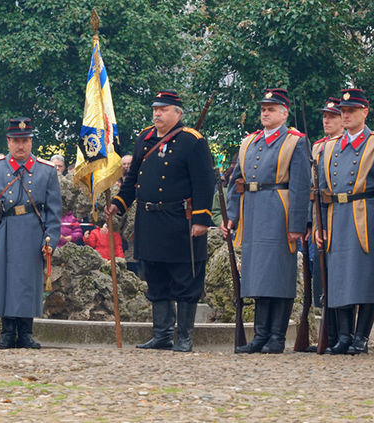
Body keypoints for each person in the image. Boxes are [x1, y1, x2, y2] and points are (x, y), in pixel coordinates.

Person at [107, 89, 214, 352]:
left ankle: (184, 337)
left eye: (163, 109)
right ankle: (162, 334)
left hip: (180, 220)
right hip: (149, 220)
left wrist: (201, 218)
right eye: (155, 109)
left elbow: (204, 182)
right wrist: (119, 203)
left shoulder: (192, 140)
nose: (157, 114)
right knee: (155, 277)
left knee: (185, 278)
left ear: (177, 113)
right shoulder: (144, 138)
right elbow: (132, 179)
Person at [223, 88, 311, 354]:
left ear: (284, 114)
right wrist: (232, 215)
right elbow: (236, 181)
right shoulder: (249, 142)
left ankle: (276, 337)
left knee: (279, 275)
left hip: (279, 211)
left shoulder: (295, 142)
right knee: (258, 277)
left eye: (271, 109)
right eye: (263, 109)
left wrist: (297, 224)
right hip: (252, 212)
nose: (265, 113)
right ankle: (260, 335)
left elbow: (300, 186)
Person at [316, 87, 374, 355]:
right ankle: (344, 336)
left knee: (366, 277)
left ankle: (361, 337)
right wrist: (320, 226)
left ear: (365, 112)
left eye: (351, 111)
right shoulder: (330, 147)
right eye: (343, 111)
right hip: (336, 216)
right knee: (339, 277)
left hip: (365, 214)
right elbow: (322, 191)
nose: (345, 115)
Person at [0, 117, 62, 349]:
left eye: (25, 141)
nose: (20, 146)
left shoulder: (46, 170)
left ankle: (25, 333)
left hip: (33, 231)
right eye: (16, 141)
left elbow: (54, 211)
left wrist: (50, 240)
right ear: (8, 142)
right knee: (4, 281)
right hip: (3, 231)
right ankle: (6, 333)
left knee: (28, 283)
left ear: (31, 142)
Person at [306, 97, 344, 351]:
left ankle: (344, 335)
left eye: (332, 116)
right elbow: (311, 188)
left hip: (340, 214)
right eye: (324, 116)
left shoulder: (346, 145)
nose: (326, 120)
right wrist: (309, 222)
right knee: (321, 276)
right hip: (319, 216)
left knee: (340, 276)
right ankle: (327, 334)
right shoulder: (318, 147)